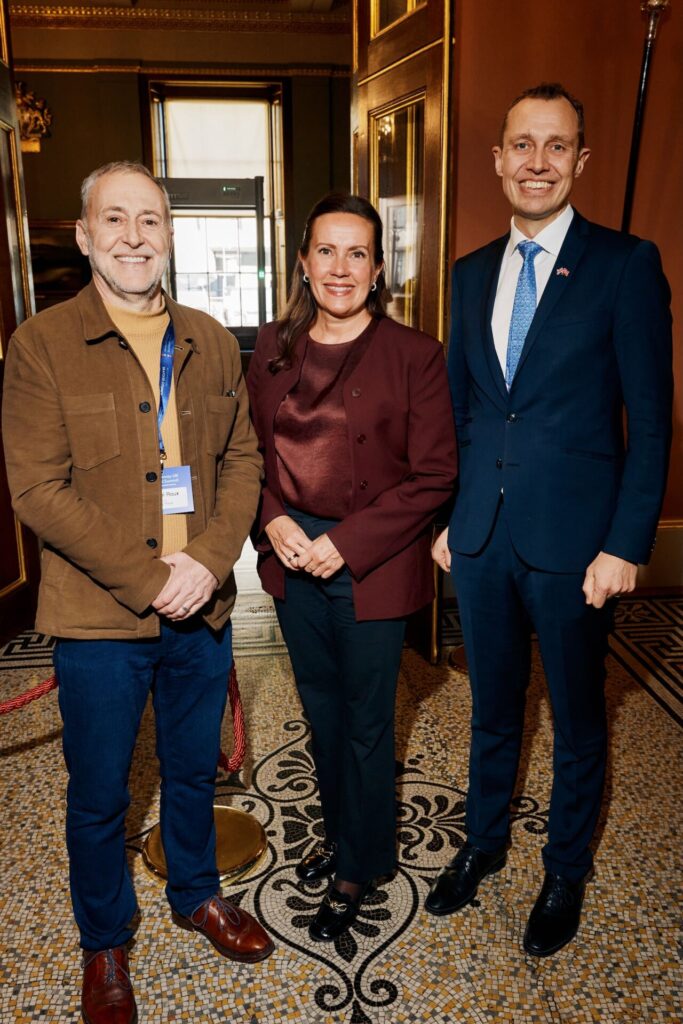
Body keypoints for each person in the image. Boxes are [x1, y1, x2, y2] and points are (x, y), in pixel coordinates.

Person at [2, 161, 274, 1024]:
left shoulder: (209, 337)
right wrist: (155, 578)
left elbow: (241, 460)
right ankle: (103, 941)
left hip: (203, 608)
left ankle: (196, 893)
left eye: (149, 220)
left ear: (168, 234)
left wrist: (212, 557)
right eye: (113, 220)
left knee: (193, 770)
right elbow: (39, 491)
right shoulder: (40, 345)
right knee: (100, 791)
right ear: (84, 236)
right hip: (99, 619)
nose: (132, 236)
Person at [427, 83, 673, 957]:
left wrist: (624, 543)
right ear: (497, 160)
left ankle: (565, 869)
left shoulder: (625, 264)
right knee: (492, 709)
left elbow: (648, 422)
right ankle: (483, 847)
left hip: (579, 549)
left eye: (555, 146)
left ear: (580, 161)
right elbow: (462, 413)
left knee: (575, 717)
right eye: (520, 145)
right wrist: (450, 518)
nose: (536, 162)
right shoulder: (466, 274)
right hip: (484, 542)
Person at [247, 193, 456, 942]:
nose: (340, 267)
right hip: (291, 557)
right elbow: (247, 455)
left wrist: (350, 542)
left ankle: (360, 863)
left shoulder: (415, 355)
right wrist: (271, 519)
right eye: (326, 251)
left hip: (370, 564)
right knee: (321, 712)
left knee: (367, 724)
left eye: (357, 253)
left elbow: (434, 475)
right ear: (302, 262)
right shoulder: (270, 343)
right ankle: (341, 837)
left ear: (377, 269)